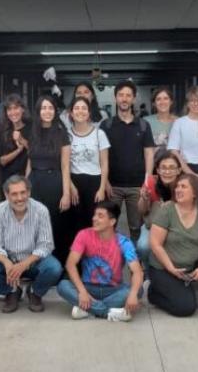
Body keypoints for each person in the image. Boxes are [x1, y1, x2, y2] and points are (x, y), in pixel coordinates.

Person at [0, 175, 63, 313]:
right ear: (6, 195)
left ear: (28, 192)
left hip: (33, 261)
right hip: (8, 262)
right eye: (14, 194)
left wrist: (24, 264)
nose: (19, 198)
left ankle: (35, 292)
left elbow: (46, 245)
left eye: (23, 192)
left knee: (54, 268)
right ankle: (11, 291)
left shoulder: (41, 210)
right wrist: (6, 262)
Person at [58, 200, 144, 322]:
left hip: (114, 290)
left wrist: (133, 294)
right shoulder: (84, 235)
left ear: (112, 221)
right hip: (88, 288)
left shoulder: (124, 242)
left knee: (138, 290)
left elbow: (137, 271)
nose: (94, 219)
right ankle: (109, 312)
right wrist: (82, 292)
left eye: (100, 216)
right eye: (94, 215)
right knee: (63, 286)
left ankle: (86, 309)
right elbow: (70, 264)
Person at [147, 174, 198, 317]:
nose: (178, 190)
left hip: (190, 265)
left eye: (183, 187)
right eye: (177, 187)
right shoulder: (167, 211)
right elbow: (155, 244)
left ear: (195, 193)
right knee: (185, 308)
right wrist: (171, 268)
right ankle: (153, 293)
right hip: (163, 268)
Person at [101, 80, 155, 244]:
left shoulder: (144, 126)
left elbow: (149, 155)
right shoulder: (106, 125)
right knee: (108, 226)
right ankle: (110, 262)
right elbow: (101, 156)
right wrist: (105, 182)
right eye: (121, 95)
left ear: (134, 98)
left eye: (128, 95)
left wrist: (146, 183)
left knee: (136, 227)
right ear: (116, 97)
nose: (124, 99)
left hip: (137, 187)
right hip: (112, 187)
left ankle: (137, 264)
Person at [25, 95, 72, 264]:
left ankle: (57, 265)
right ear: (38, 111)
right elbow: (29, 161)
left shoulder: (61, 133)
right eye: (43, 108)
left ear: (55, 111)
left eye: (50, 108)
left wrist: (66, 194)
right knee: (33, 224)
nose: (47, 111)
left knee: (55, 224)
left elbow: (66, 166)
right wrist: (25, 185)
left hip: (54, 181)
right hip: (34, 181)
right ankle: (35, 264)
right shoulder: (32, 132)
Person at [68, 96, 111, 235]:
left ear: (89, 112)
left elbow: (104, 163)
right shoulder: (66, 135)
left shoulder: (99, 134)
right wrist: (70, 186)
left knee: (94, 222)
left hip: (95, 182)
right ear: (71, 113)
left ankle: (94, 255)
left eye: (84, 108)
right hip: (74, 182)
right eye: (77, 108)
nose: (80, 111)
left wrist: (102, 188)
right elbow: (63, 164)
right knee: (75, 223)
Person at [136, 151, 186, 266]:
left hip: (178, 226)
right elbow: (141, 211)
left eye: (172, 168)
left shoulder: (185, 184)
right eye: (163, 168)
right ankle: (148, 275)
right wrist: (144, 199)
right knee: (143, 246)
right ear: (157, 170)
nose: (167, 172)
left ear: (179, 170)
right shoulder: (150, 182)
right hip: (153, 225)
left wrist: (173, 204)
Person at [0, 94, 31, 198]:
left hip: (26, 177)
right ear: (6, 113)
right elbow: (2, 160)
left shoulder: (32, 128)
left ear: (22, 109)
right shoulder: (2, 131)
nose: (13, 112)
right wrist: (18, 151)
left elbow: (36, 151)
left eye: (16, 108)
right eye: (9, 109)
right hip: (7, 179)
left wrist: (21, 140)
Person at [143, 86, 177, 151]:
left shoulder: (179, 122)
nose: (162, 102)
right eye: (158, 99)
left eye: (166, 98)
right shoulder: (146, 121)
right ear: (154, 103)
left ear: (171, 102)